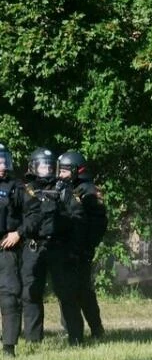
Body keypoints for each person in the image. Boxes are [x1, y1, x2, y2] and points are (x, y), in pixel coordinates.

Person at [20, 148, 85, 345]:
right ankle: (33, 339)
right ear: (33, 167)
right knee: (31, 293)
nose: (46, 169)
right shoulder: (26, 190)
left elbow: (77, 217)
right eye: (42, 166)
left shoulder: (64, 189)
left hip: (59, 246)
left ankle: (75, 337)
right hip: (34, 246)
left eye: (49, 165)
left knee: (66, 292)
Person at [57, 150, 107, 339]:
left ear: (77, 170)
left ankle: (96, 329)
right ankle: (70, 329)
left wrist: (86, 248)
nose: (60, 174)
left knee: (83, 291)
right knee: (65, 290)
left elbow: (98, 224)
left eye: (64, 171)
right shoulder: (63, 189)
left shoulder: (89, 191)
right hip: (65, 247)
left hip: (82, 251)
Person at [0, 144, 25, 356]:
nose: (2, 166)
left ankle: (9, 346)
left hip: (6, 248)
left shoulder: (17, 187)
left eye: (4, 160)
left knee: (10, 296)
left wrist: (19, 232)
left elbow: (34, 214)